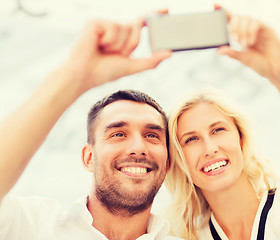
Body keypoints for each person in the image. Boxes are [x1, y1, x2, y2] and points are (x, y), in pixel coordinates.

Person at [0, 15, 181, 240]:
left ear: (169, 162)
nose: (138, 147)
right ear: (88, 157)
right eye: (118, 134)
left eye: (152, 135)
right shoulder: (31, 227)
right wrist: (76, 77)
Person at [164, 10, 280, 240]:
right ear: (178, 159)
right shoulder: (185, 236)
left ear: (241, 137)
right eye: (191, 139)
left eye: (218, 130)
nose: (210, 148)